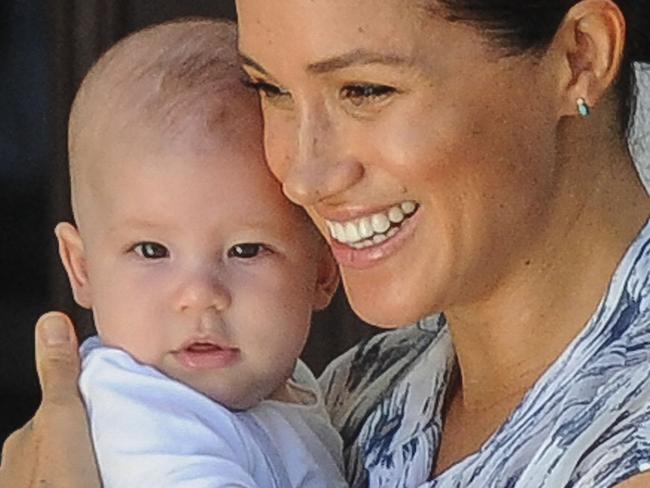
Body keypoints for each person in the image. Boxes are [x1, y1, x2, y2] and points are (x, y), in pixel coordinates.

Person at [2, 0, 650, 487]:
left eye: (365, 90)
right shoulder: (353, 391)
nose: (302, 175)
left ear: (579, 59)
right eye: (273, 90)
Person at [38, 18, 346, 488]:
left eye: (245, 250)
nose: (200, 294)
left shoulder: (290, 386)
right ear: (82, 269)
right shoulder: (139, 409)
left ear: (324, 270)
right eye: (151, 250)